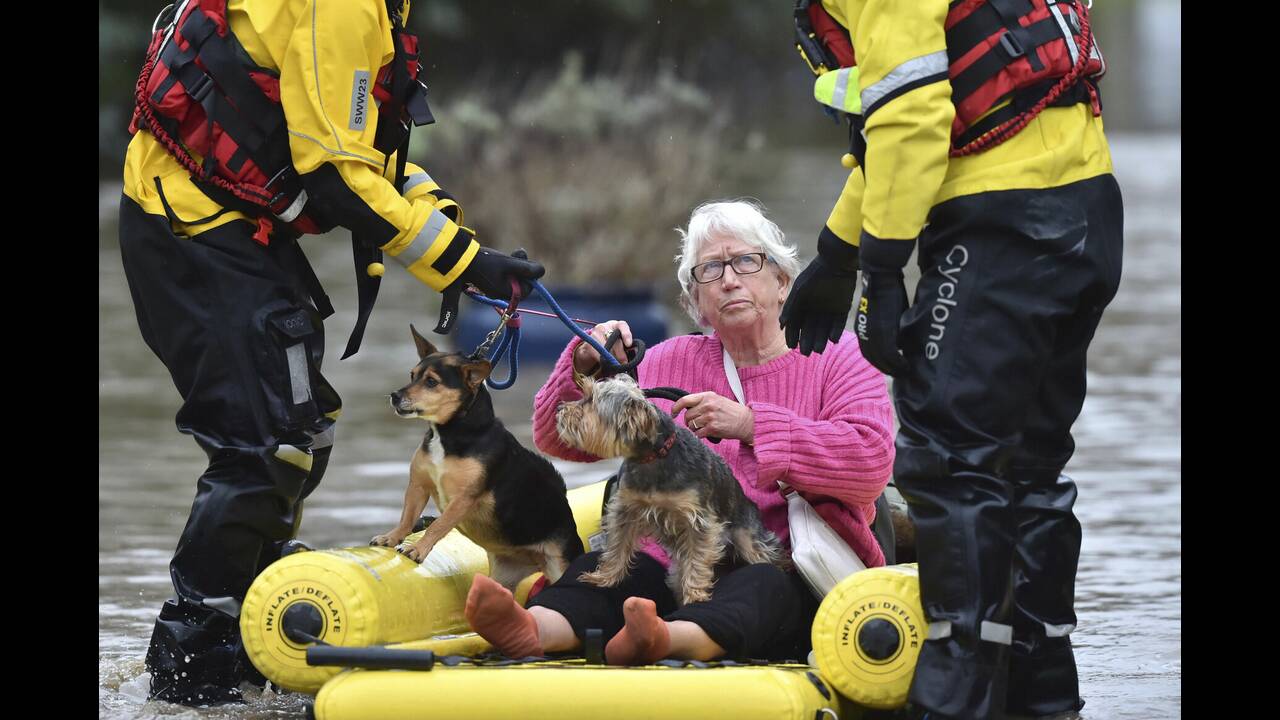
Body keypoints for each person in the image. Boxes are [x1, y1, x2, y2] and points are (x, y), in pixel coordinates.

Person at [118, 0, 543, 705]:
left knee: (302, 435)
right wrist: (465, 266)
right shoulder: (343, 5)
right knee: (265, 447)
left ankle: (255, 634)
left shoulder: (378, 9)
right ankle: (189, 668)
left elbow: (371, 156)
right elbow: (334, 180)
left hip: (233, 231)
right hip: (190, 231)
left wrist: (474, 250)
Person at [780, 2, 1123, 718]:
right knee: (1027, 468)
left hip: (1002, 225)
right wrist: (838, 251)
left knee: (952, 464)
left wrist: (877, 269)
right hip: (1082, 212)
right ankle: (1044, 695)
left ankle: (955, 699)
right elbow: (914, 123)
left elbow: (912, 119)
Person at [462, 200, 894, 665]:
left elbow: (869, 464)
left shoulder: (839, 354)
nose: (729, 280)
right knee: (610, 571)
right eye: (710, 270)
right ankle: (532, 628)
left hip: (784, 562)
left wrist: (750, 425)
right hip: (672, 563)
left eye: (747, 262)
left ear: (783, 281)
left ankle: (664, 640)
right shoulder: (668, 360)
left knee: (760, 585)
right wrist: (581, 364)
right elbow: (556, 440)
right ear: (696, 301)